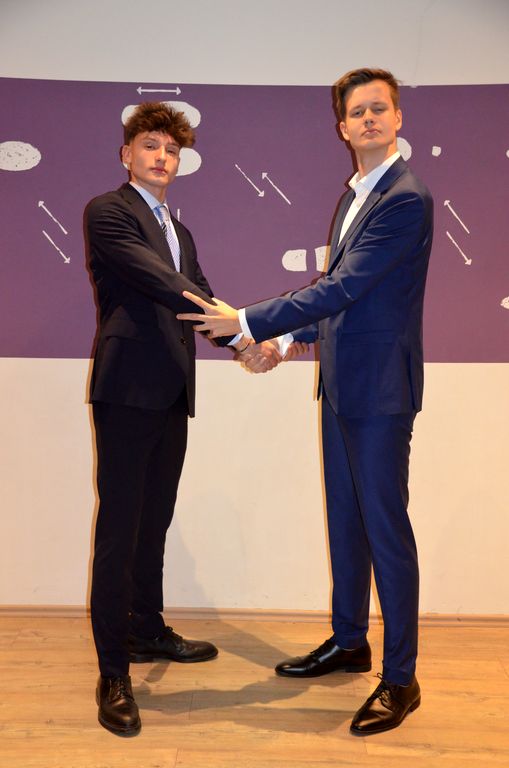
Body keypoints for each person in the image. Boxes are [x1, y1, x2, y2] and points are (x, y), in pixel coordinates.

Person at [177, 68, 433, 735]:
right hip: (342, 385)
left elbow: (342, 288)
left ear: (397, 119)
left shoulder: (404, 198)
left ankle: (400, 679)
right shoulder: (354, 197)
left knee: (385, 532)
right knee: (346, 523)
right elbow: (344, 300)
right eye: (357, 112)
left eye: (379, 108)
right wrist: (285, 342)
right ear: (342, 126)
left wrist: (245, 321)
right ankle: (350, 642)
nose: (368, 119)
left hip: (380, 394)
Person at [85, 102, 279, 736]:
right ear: (127, 154)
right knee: (119, 529)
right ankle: (113, 671)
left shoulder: (181, 231)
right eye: (150, 145)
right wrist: (248, 335)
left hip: (171, 390)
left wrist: (244, 342)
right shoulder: (108, 211)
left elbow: (201, 302)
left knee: (155, 521)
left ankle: (145, 629)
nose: (162, 157)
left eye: (171, 149)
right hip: (126, 388)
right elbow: (166, 284)